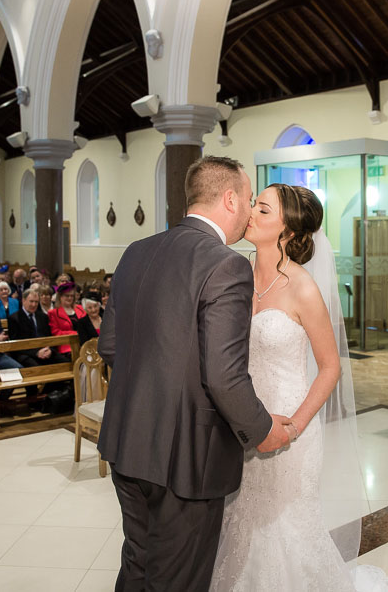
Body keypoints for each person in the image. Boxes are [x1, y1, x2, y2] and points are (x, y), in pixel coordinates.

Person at [99, 156, 291, 591]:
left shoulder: (135, 251)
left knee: (138, 565)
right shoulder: (226, 264)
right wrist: (262, 431)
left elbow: (109, 347)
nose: (249, 208)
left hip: (127, 443)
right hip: (186, 459)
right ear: (229, 198)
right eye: (247, 198)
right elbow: (224, 376)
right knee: (178, 581)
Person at [210, 183, 388, 592]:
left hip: (291, 427)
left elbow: (329, 368)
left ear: (287, 230)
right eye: (254, 205)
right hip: (241, 421)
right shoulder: (234, 274)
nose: (250, 213)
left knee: (285, 530)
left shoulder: (302, 287)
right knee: (241, 524)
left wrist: (294, 427)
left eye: (263, 209)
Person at [8, 287, 67, 366]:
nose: (34, 305)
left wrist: (49, 349)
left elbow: (49, 337)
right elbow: (16, 344)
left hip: (45, 350)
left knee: (65, 362)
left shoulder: (43, 316)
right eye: (31, 301)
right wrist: (36, 352)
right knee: (36, 366)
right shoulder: (14, 318)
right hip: (26, 353)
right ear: (23, 300)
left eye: (36, 302)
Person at [47, 282, 81, 356]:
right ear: (60, 297)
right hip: (66, 346)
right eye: (67, 296)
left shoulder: (80, 309)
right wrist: (75, 334)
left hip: (84, 344)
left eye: (72, 296)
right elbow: (56, 333)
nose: (69, 298)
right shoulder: (53, 313)